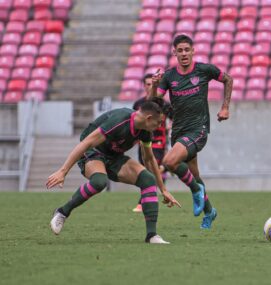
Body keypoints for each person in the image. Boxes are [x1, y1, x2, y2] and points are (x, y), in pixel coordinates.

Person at [46, 97, 181, 244]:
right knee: (99, 181)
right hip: (92, 151)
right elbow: (87, 143)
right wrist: (63, 171)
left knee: (148, 180)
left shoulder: (145, 131)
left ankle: (152, 236)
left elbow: (149, 159)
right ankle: (62, 212)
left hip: (114, 156)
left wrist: (163, 189)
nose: (160, 126)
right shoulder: (120, 120)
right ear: (149, 118)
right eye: (159, 122)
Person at [152, 34, 233, 229]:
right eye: (179, 50)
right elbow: (154, 101)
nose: (184, 54)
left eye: (187, 50)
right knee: (194, 175)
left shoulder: (204, 70)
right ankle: (209, 211)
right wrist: (154, 84)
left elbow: (228, 79)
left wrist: (225, 107)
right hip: (179, 131)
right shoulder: (170, 76)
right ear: (174, 53)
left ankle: (196, 192)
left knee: (170, 162)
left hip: (199, 129)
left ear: (193, 50)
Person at [132, 73, 173, 213]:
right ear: (144, 86)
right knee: (144, 171)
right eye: (147, 84)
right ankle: (155, 195)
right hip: (142, 142)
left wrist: (170, 125)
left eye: (152, 84)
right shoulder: (138, 104)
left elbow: (173, 117)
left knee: (151, 169)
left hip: (158, 142)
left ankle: (142, 202)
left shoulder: (164, 104)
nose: (150, 86)